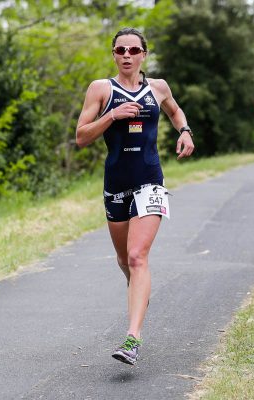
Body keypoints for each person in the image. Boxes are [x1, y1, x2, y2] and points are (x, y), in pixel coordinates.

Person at [75, 28, 194, 365]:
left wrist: (184, 131)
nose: (126, 55)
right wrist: (111, 115)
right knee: (125, 261)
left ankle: (132, 339)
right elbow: (81, 137)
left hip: (149, 182)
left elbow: (174, 111)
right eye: (120, 50)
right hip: (115, 185)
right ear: (113, 54)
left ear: (144, 54)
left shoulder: (158, 87)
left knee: (138, 256)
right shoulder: (101, 89)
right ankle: (139, 295)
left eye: (133, 49)